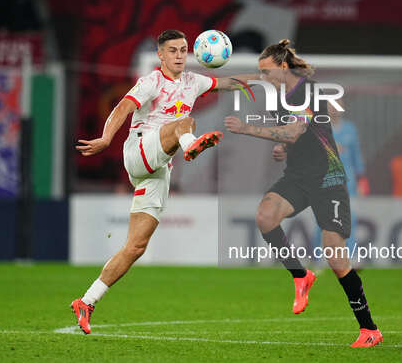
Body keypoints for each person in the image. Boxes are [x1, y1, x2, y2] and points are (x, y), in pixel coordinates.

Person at [70, 29, 254, 335]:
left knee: (136, 246)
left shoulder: (194, 82)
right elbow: (122, 108)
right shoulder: (151, 81)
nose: (180, 55)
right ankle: (190, 145)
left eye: (183, 50)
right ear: (160, 55)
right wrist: (105, 138)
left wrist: (265, 76)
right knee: (184, 123)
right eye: (173, 50)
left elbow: (226, 83)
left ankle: (86, 301)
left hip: (158, 169)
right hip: (139, 151)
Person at [224, 39, 382, 348]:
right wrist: (283, 147)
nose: (264, 77)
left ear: (283, 67)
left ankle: (369, 329)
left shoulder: (308, 91)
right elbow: (300, 136)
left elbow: (295, 130)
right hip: (298, 176)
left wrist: (247, 129)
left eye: (266, 72)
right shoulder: (282, 97)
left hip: (328, 178)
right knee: (265, 216)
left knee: (335, 253)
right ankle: (301, 275)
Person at [313, 104, 368, 257]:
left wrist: (361, 179)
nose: (335, 108)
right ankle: (317, 257)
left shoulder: (350, 129)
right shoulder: (319, 127)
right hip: (325, 181)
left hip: (348, 183)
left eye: (338, 104)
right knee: (323, 221)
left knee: (349, 219)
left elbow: (356, 155)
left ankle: (349, 257)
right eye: (331, 105)